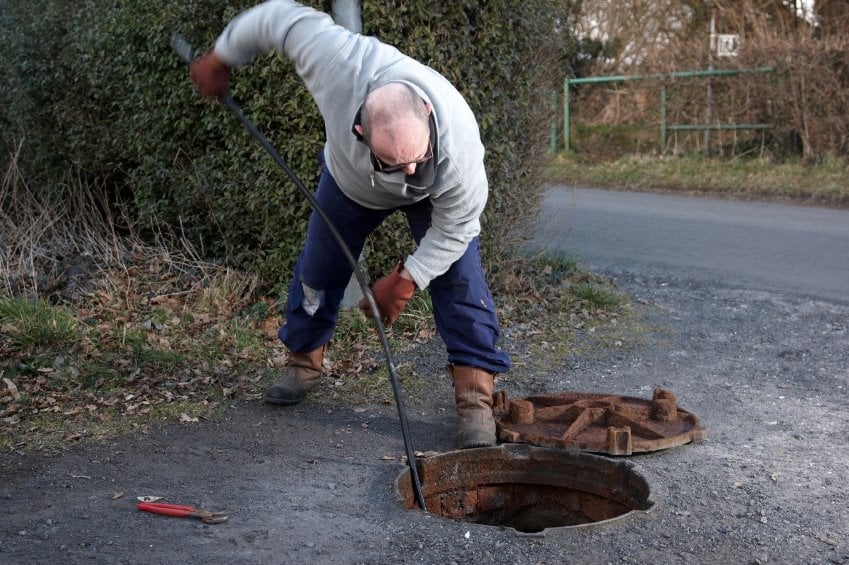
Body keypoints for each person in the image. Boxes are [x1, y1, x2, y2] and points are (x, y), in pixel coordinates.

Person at [190, 0, 510, 449]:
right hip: (350, 184)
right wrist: (221, 56)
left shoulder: (459, 146)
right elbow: (277, 18)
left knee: (461, 280)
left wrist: (408, 278)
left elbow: (456, 228)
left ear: (426, 112)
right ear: (360, 131)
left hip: (436, 197)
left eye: (418, 159)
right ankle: (303, 361)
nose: (410, 172)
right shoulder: (338, 63)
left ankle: (475, 401)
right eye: (396, 164)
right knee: (319, 269)